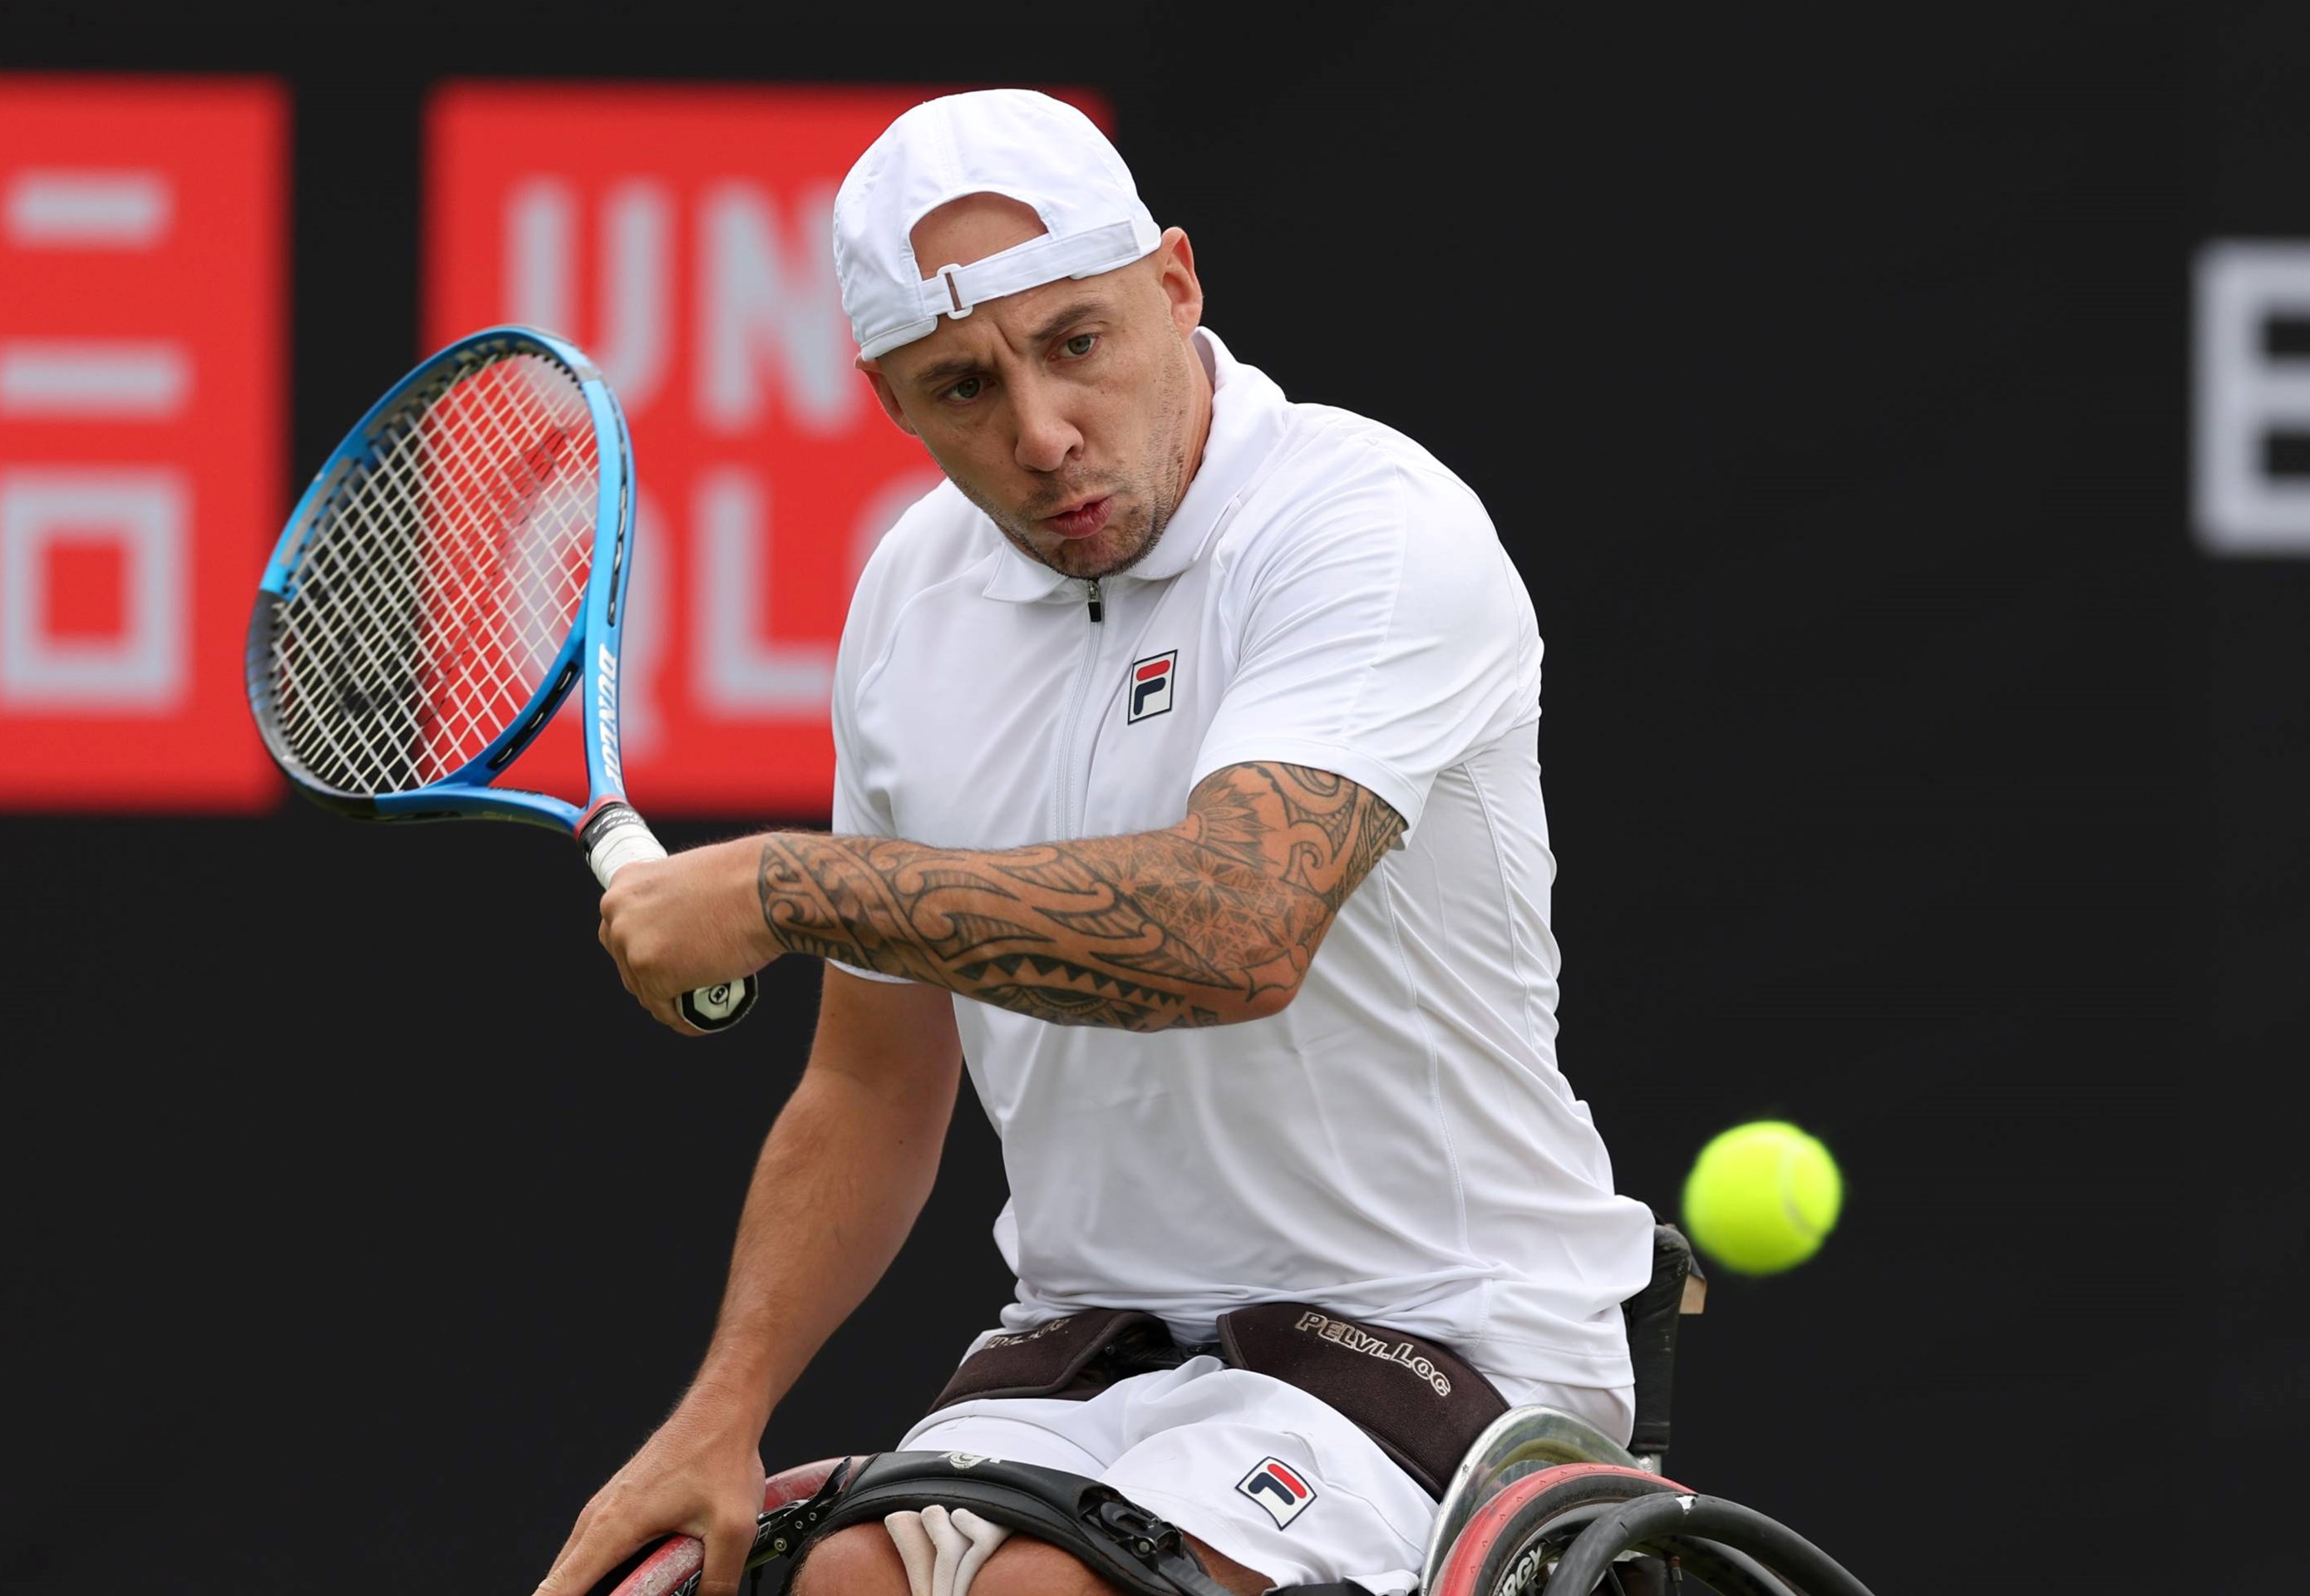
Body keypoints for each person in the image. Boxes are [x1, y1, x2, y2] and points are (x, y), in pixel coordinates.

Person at [535, 88, 1654, 1596]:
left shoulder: (1370, 524)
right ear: (892, 401)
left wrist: (788, 884)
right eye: (961, 389)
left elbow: (1231, 930)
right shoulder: (908, 602)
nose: (1042, 433)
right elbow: (873, 1076)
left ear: (1177, 286)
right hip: (1094, 1346)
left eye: (1076, 343)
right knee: (831, 1583)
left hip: (1448, 1330)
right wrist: (719, 1416)